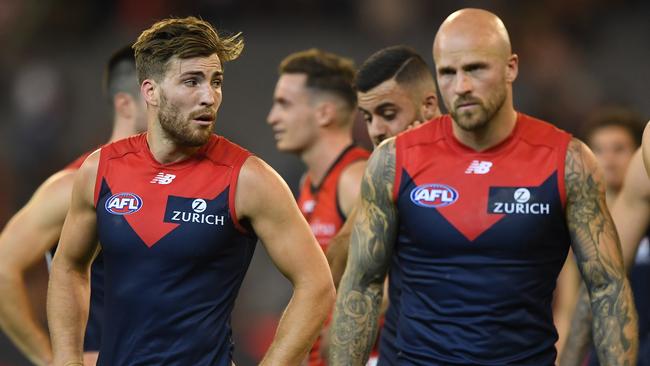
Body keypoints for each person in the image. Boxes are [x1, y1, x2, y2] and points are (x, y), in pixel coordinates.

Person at [329, 8, 637, 365]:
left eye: (475, 69)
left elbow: (606, 289)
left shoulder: (569, 162)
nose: (461, 87)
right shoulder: (393, 160)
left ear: (511, 67)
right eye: (447, 73)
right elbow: (362, 288)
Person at [47, 17, 335, 366]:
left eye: (216, 81)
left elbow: (317, 285)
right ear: (150, 91)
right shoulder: (100, 170)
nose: (209, 96)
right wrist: (66, 361)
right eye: (192, 81)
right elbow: (68, 267)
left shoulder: (248, 178)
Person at [0, 45, 147, 366]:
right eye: (158, 91)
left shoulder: (185, 184)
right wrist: (49, 358)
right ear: (126, 102)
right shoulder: (72, 186)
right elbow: (2, 268)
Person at [267, 49, 367, 366]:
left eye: (284, 104)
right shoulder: (307, 185)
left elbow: (391, 282)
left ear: (324, 113)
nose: (272, 117)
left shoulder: (355, 179)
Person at [561, 112, 648, 366]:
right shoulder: (575, 225)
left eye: (619, 149)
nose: (608, 160)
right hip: (614, 346)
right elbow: (596, 289)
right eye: (599, 150)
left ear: (635, 153)